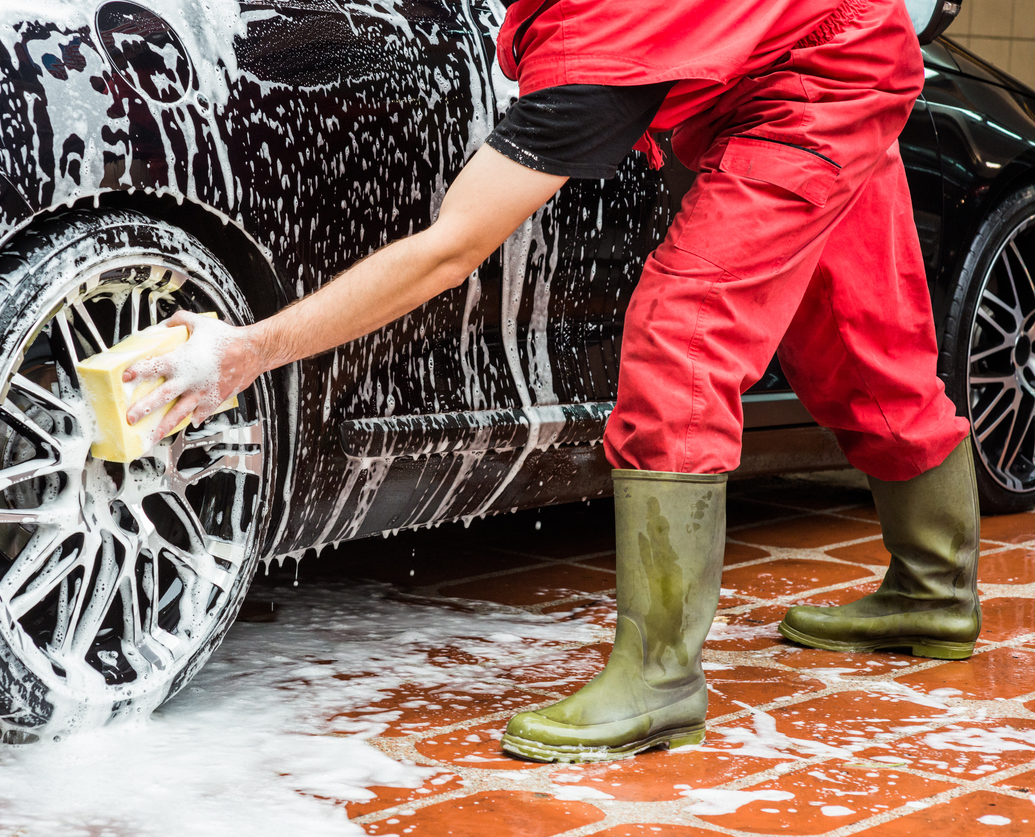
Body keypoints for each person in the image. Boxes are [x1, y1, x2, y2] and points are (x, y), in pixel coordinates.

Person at [123, 0, 980, 764]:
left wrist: (249, 350)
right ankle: (935, 593)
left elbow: (448, 252)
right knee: (862, 336)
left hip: (824, 76)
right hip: (820, 45)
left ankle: (659, 682)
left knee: (684, 333)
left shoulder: (601, 47)